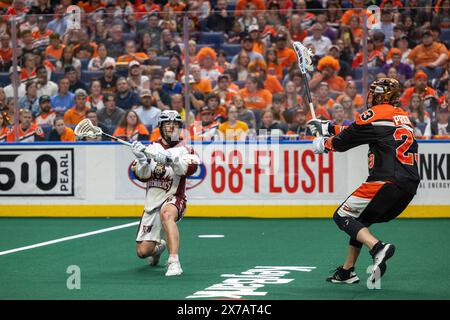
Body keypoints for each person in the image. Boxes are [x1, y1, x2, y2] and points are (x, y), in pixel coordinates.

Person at [308, 78, 420, 285]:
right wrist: (329, 128)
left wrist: (324, 144)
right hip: (408, 186)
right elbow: (360, 131)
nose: (372, 97)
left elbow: (344, 142)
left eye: (374, 93)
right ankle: (347, 271)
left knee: (342, 215)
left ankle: (378, 248)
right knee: (361, 221)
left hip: (386, 180)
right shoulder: (401, 116)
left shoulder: (375, 114)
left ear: (381, 95)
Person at [130, 110, 200, 276]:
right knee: (142, 252)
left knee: (167, 213)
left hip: (174, 197)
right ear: (160, 127)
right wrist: (141, 160)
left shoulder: (186, 149)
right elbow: (142, 176)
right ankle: (159, 248)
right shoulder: (151, 148)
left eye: (175, 124)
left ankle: (174, 261)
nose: (171, 127)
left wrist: (172, 159)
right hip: (153, 203)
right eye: (167, 124)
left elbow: (188, 169)